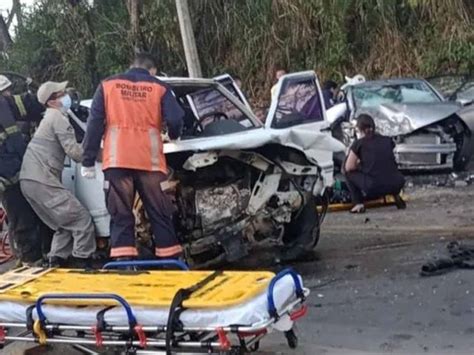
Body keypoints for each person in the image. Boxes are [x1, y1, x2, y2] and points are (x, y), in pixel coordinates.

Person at [81, 52, 185, 260]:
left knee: (121, 216)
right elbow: (176, 118)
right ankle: (171, 263)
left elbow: (94, 124)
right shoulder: (159, 87)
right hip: (150, 163)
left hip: (117, 163)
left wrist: (88, 161)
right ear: (152, 70)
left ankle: (124, 265)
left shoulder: (108, 85)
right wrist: (173, 135)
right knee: (160, 214)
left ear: (131, 66)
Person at [20, 81, 96, 268]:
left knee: (64, 224)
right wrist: (96, 150)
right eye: (62, 94)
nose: (67, 96)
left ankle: (57, 260)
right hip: (41, 180)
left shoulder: (48, 118)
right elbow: (75, 153)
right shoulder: (58, 118)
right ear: (52, 101)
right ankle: (82, 262)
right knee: (81, 220)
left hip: (29, 181)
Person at [0, 75, 51, 265]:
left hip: (12, 174)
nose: (9, 95)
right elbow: (29, 103)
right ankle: (31, 261)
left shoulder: (6, 108)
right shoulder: (4, 105)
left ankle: (32, 256)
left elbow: (28, 105)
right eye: (7, 91)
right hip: (9, 176)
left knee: (23, 218)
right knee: (23, 219)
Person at [344, 114, 406, 213]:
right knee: (387, 170)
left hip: (374, 187)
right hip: (397, 183)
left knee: (347, 173)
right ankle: (396, 196)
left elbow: (349, 167)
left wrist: (359, 165)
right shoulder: (387, 140)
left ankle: (358, 203)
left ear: (359, 129)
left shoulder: (359, 143)